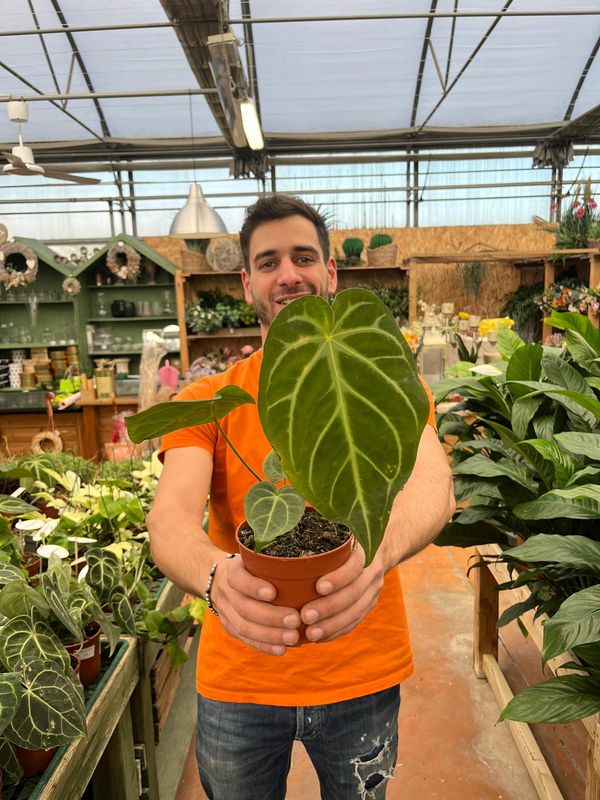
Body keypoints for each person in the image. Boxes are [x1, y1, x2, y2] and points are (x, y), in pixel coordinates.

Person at [149, 194, 455, 800]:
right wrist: (215, 577)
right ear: (247, 283)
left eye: (303, 257)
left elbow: (434, 485)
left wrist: (379, 550)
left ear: (331, 272)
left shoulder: (382, 374)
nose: (288, 274)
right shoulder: (210, 397)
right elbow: (168, 519)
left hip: (361, 669)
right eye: (267, 262)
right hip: (239, 678)